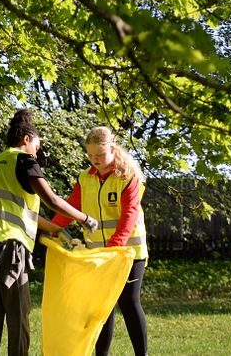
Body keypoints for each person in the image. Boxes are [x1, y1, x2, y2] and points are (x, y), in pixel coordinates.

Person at [0, 109, 99, 356]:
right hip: (4, 246)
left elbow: (18, 210)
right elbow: (52, 200)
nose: (37, 151)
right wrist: (85, 218)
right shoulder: (24, 160)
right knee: (18, 315)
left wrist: (56, 229)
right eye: (37, 145)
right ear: (26, 139)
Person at [51, 126, 148, 356]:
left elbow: (129, 214)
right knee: (98, 309)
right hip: (97, 254)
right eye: (91, 155)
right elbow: (71, 207)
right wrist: (53, 228)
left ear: (113, 150)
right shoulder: (85, 178)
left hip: (128, 253)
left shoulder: (127, 176)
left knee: (128, 303)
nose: (95, 160)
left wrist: (115, 248)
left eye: (100, 155)